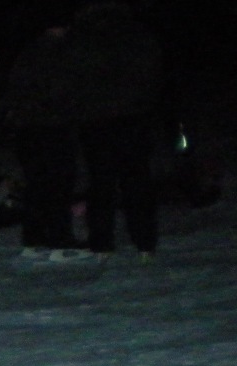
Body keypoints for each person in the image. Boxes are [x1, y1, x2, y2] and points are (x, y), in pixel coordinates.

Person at [62, 1, 164, 260]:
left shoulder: (80, 36)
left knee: (100, 182)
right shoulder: (137, 33)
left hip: (96, 120)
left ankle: (102, 244)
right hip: (133, 117)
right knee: (137, 180)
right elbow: (154, 74)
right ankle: (145, 243)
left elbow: (70, 80)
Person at [4, 14, 86, 261]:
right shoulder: (61, 53)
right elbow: (63, 92)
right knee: (59, 185)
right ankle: (60, 241)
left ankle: (34, 240)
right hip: (52, 127)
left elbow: (14, 92)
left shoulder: (27, 53)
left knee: (36, 185)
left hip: (26, 129)